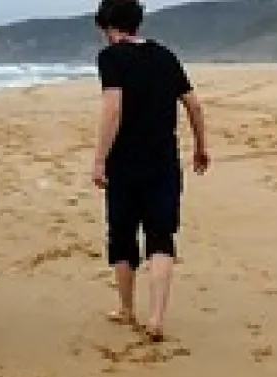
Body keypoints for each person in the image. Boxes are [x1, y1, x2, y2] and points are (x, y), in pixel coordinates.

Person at [91, 0, 209, 342]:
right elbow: (194, 104)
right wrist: (201, 147)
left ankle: (127, 309)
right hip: (163, 161)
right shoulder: (164, 55)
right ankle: (156, 317)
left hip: (124, 163)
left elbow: (113, 108)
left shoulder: (111, 58)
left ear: (107, 26)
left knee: (123, 235)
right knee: (161, 236)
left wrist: (99, 159)